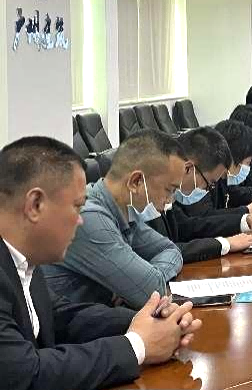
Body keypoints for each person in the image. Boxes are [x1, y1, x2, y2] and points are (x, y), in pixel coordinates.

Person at [0, 137, 202, 390]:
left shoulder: (24, 261)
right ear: (35, 205)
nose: (80, 220)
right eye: (76, 207)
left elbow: (63, 317)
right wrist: (138, 345)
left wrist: (150, 321)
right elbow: (26, 375)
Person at [44, 130, 185, 309]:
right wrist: (139, 282)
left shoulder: (123, 210)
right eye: (169, 190)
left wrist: (143, 279)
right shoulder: (88, 218)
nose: (170, 200)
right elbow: (151, 291)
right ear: (136, 182)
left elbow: (170, 249)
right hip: (72, 324)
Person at [148, 127, 252, 264]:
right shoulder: (149, 201)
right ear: (188, 168)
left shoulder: (167, 195)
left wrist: (244, 221)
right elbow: (164, 251)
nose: (207, 190)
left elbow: (187, 227)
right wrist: (225, 244)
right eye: (209, 184)